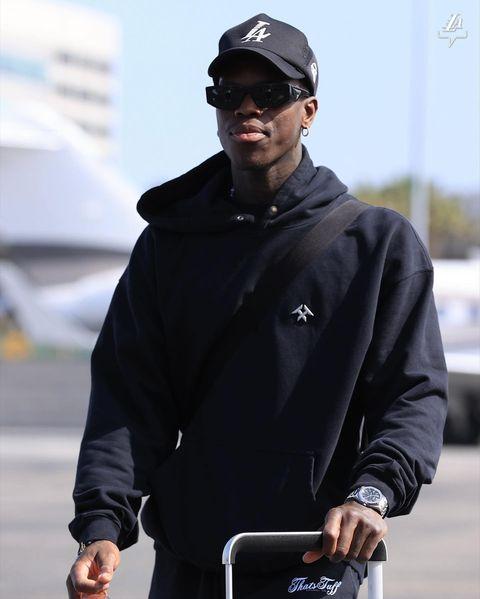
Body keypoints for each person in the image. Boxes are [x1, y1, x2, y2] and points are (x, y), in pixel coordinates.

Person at [66, 13, 448, 599]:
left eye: (270, 93)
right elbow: (127, 399)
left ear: (308, 111)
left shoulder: (377, 244)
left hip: (316, 553)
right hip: (192, 561)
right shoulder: (170, 245)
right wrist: (102, 525)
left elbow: (413, 394)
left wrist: (372, 495)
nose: (247, 109)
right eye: (228, 94)